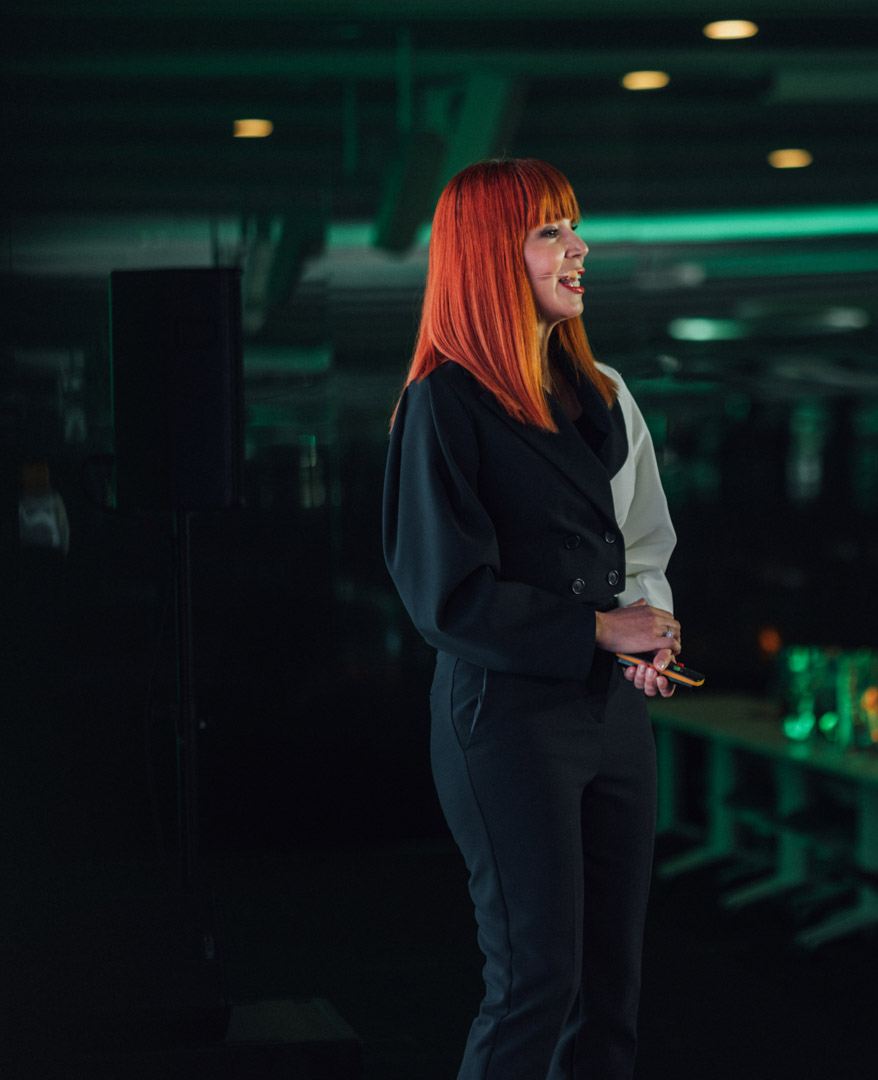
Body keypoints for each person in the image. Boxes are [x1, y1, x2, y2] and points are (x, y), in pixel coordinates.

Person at [383, 158, 682, 1079]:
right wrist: (598, 632)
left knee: (608, 996)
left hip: (610, 716)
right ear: (488, 255)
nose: (578, 247)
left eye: (573, 226)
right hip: (504, 717)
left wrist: (652, 630)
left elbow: (644, 545)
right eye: (550, 230)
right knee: (535, 983)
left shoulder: (605, 392)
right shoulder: (440, 404)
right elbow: (445, 595)